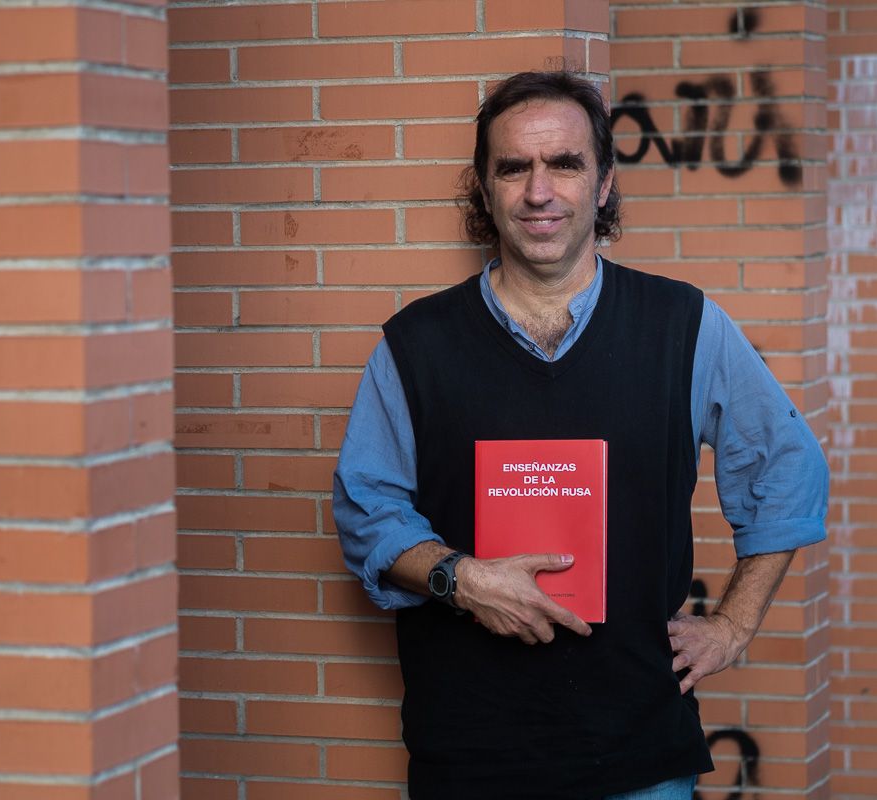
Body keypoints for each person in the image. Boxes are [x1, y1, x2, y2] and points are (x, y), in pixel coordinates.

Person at [333, 71, 828, 800]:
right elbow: (364, 509)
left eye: (565, 163)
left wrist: (733, 624)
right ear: (485, 187)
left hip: (638, 756)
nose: (540, 191)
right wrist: (462, 579)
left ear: (602, 185)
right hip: (470, 756)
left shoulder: (682, 326)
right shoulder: (416, 346)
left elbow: (788, 464)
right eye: (514, 167)